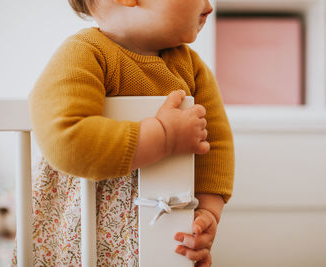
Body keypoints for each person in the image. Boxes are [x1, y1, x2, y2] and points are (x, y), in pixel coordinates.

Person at [12, 0, 234, 266]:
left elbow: (215, 144)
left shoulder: (191, 68)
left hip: (165, 230)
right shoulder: (84, 54)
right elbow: (66, 141)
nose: (209, 5)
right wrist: (163, 136)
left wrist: (208, 212)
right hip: (81, 237)